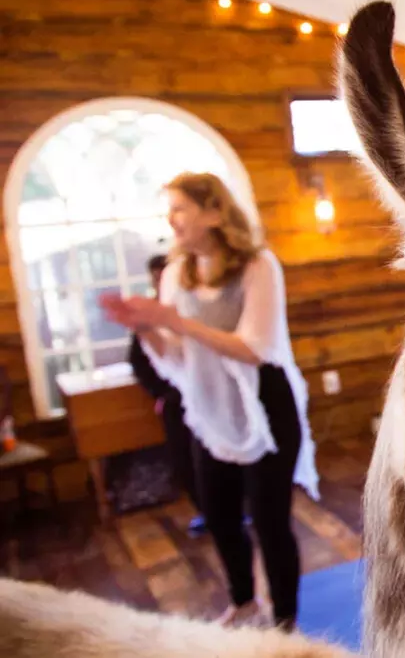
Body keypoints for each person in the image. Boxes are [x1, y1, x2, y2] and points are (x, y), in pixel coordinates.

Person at [101, 172, 320, 631]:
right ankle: (243, 601)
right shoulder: (178, 273)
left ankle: (284, 622)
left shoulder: (259, 265)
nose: (171, 219)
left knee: (269, 521)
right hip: (208, 407)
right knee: (219, 516)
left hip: (265, 403)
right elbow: (176, 356)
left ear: (214, 212)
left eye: (180, 208)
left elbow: (254, 347)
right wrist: (145, 327)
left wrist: (175, 321)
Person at [127, 254, 208, 537]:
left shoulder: (194, 305)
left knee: (214, 457)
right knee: (184, 459)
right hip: (174, 399)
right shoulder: (148, 314)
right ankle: (204, 511)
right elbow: (138, 361)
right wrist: (161, 394)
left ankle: (234, 508)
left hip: (205, 393)